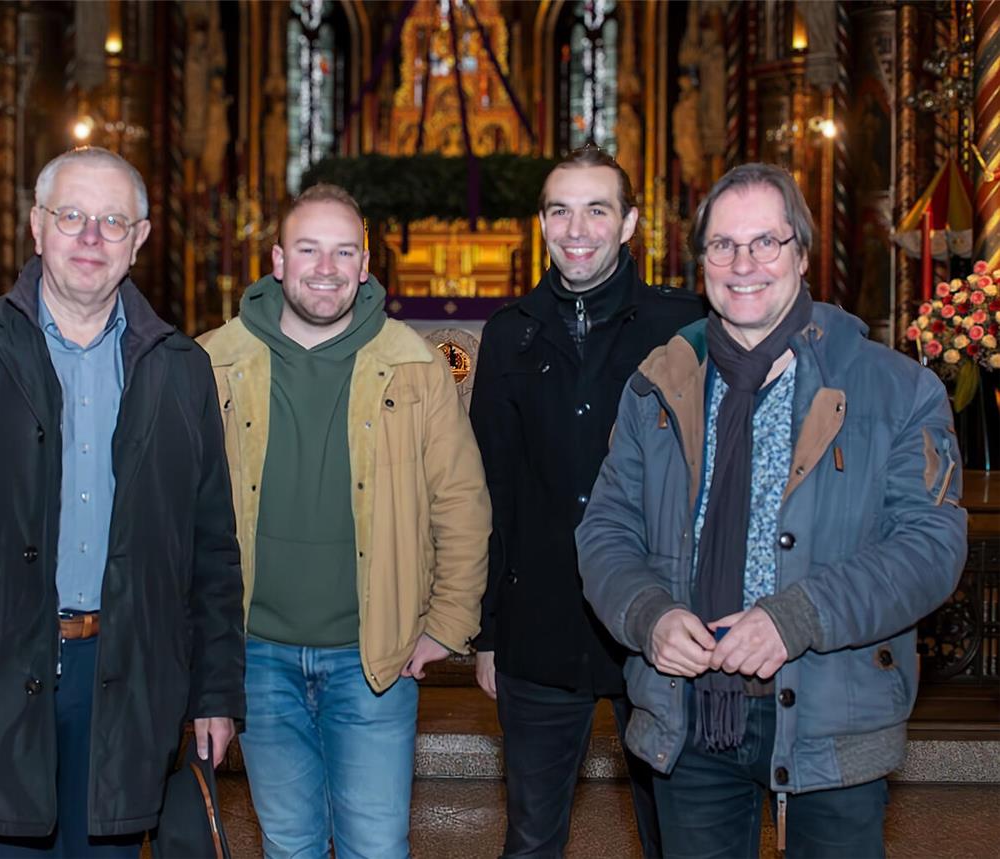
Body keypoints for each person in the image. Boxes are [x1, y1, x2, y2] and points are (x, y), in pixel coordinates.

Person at [0, 146, 245, 857]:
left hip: (130, 682)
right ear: (37, 227)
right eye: (72, 216)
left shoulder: (181, 369)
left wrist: (216, 690)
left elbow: (212, 552)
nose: (91, 237)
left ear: (140, 239)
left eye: (112, 220)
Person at [577, 162, 968, 858]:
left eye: (767, 242)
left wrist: (797, 617)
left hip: (833, 710)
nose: (744, 263)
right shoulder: (658, 386)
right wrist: (648, 614)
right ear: (701, 264)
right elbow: (605, 529)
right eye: (723, 245)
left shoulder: (896, 389)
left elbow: (930, 548)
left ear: (803, 255)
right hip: (688, 713)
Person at [198, 183, 491, 859]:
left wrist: (446, 624)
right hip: (258, 654)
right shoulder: (213, 360)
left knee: (376, 846)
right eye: (308, 249)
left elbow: (461, 502)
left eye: (342, 251)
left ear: (364, 264)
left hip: (374, 658)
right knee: (290, 843)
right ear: (277, 259)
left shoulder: (416, 367)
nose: (325, 268)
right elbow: (182, 515)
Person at [469, 144, 705, 859]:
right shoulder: (511, 332)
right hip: (539, 622)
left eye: (597, 209)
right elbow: (491, 488)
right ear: (541, 223)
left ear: (630, 222)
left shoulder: (684, 326)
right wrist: (484, 631)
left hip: (660, 622)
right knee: (533, 837)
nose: (577, 228)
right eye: (560, 210)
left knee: (677, 834)